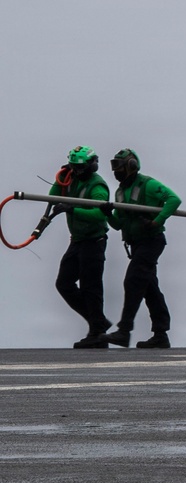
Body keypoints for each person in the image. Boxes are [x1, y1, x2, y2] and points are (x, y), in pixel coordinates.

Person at [98, 148, 180, 349]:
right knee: (149, 287)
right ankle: (161, 334)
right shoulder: (120, 192)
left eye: (118, 166)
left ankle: (124, 331)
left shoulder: (148, 184)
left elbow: (174, 200)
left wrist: (156, 221)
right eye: (113, 167)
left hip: (152, 241)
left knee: (133, 280)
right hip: (136, 244)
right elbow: (119, 225)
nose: (115, 171)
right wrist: (108, 214)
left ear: (131, 166)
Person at [36, 146, 114, 349]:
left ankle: (97, 332)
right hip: (77, 240)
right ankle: (98, 322)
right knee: (64, 283)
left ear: (92, 165)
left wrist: (73, 209)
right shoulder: (70, 179)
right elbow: (53, 197)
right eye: (74, 167)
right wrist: (61, 178)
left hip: (94, 241)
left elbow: (99, 214)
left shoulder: (98, 186)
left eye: (80, 167)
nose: (77, 171)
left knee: (91, 286)